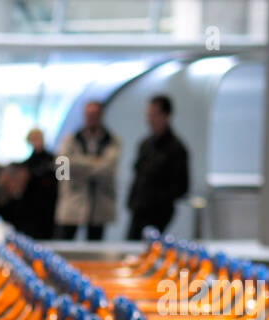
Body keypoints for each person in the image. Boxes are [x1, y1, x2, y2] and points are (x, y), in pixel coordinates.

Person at [53, 100, 120, 241]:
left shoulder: (112, 141)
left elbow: (108, 169)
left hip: (99, 205)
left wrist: (76, 164)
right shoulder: (70, 140)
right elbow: (61, 169)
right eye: (89, 115)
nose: (91, 118)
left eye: (95, 115)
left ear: (101, 116)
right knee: (65, 243)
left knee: (94, 247)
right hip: (72, 202)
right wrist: (93, 162)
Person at [126, 95, 190, 239]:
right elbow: (138, 176)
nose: (149, 120)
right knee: (131, 247)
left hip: (158, 212)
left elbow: (182, 186)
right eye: (148, 115)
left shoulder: (176, 148)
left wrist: (157, 199)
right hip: (139, 209)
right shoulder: (145, 144)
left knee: (150, 249)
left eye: (154, 115)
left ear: (165, 116)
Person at [15, 128, 57, 240]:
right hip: (31, 209)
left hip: (50, 207)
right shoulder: (25, 165)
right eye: (33, 139)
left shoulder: (58, 159)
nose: (36, 142)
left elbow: (64, 182)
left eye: (38, 138)